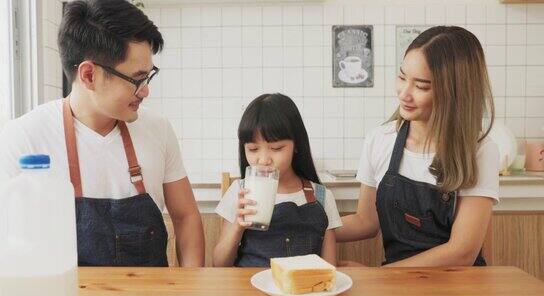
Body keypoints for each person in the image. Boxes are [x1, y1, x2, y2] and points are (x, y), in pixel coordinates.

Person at [0, 0, 205, 296]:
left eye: (149, 76)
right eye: (137, 79)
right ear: (89, 74)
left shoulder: (158, 130)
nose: (145, 91)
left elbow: (186, 215)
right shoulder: (24, 136)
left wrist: (191, 288)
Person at [336, 26, 499, 267]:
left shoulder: (479, 151)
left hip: (460, 291)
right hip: (395, 288)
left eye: (421, 86)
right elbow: (366, 222)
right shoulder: (380, 139)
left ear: (454, 93)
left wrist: (379, 277)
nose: (404, 93)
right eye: (402, 77)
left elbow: (461, 252)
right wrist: (309, 226)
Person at [213, 93, 342, 267]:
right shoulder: (239, 191)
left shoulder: (322, 196)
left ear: (296, 145)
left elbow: (329, 269)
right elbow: (219, 264)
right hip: (249, 291)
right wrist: (238, 226)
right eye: (253, 149)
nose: (264, 160)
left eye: (276, 148)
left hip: (301, 291)